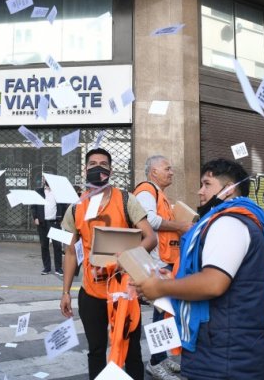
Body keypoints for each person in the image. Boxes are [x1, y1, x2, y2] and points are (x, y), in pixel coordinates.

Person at [134, 158, 264, 379]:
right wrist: (173, 279)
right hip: (231, 351)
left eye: (207, 184)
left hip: (224, 357)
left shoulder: (228, 223)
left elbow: (213, 283)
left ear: (229, 190)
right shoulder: (240, 219)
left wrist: (163, 287)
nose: (200, 192)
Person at [60, 148, 157, 379]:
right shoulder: (75, 208)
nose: (98, 168)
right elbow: (70, 253)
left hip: (124, 292)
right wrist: (65, 292)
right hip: (91, 293)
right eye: (92, 163)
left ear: (111, 170)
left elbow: (150, 237)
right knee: (95, 351)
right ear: (85, 169)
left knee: (131, 350)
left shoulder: (126, 199)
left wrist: (128, 258)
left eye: (103, 164)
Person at [133, 155, 192, 380]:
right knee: (160, 314)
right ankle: (155, 362)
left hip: (165, 261)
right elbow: (150, 221)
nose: (171, 172)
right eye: (167, 168)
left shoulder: (159, 193)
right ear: (153, 171)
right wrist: (181, 225)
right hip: (157, 264)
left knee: (165, 314)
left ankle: (162, 357)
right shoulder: (147, 190)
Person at [31, 179, 68, 275]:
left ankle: (58, 268)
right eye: (46, 180)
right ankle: (47, 268)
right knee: (44, 245)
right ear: (44, 181)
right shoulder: (38, 191)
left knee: (57, 246)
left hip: (55, 222)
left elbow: (64, 206)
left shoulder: (58, 193)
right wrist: (35, 217)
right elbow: (33, 206)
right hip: (42, 222)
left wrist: (62, 218)